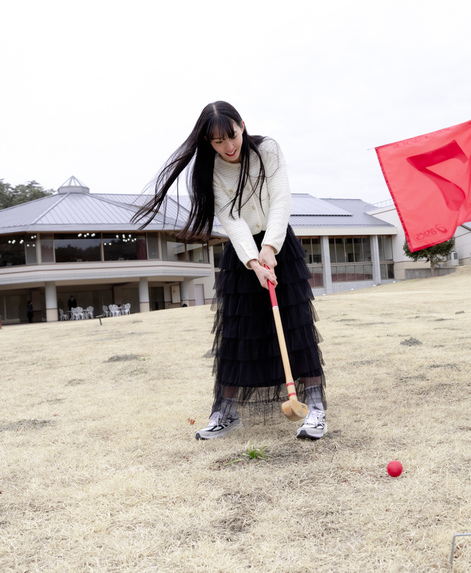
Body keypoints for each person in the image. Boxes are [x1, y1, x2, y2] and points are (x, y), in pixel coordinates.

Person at [134, 102, 327, 441]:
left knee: (296, 326)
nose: (228, 146)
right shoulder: (211, 171)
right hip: (242, 257)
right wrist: (253, 262)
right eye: (217, 141)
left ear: (242, 125)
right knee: (238, 334)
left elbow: (281, 198)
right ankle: (226, 412)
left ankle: (314, 407)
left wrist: (270, 248)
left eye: (231, 135)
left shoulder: (267, 149)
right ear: (208, 143)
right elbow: (232, 221)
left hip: (279, 244)